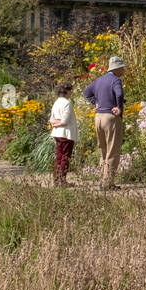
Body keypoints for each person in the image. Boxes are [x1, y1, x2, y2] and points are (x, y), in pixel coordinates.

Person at [82, 55, 125, 191]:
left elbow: (86, 92)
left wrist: (96, 103)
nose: (123, 70)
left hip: (98, 117)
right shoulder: (116, 80)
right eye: (122, 68)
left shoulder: (99, 80)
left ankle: (102, 181)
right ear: (117, 69)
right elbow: (119, 94)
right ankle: (108, 183)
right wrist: (119, 107)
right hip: (110, 118)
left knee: (103, 150)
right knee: (113, 151)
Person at [48, 82, 77, 187]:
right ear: (66, 91)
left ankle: (56, 180)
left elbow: (52, 119)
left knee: (59, 157)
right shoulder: (67, 103)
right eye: (70, 90)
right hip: (66, 133)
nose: (71, 92)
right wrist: (59, 122)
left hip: (57, 133)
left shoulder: (56, 102)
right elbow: (65, 121)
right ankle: (62, 181)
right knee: (65, 157)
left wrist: (56, 123)